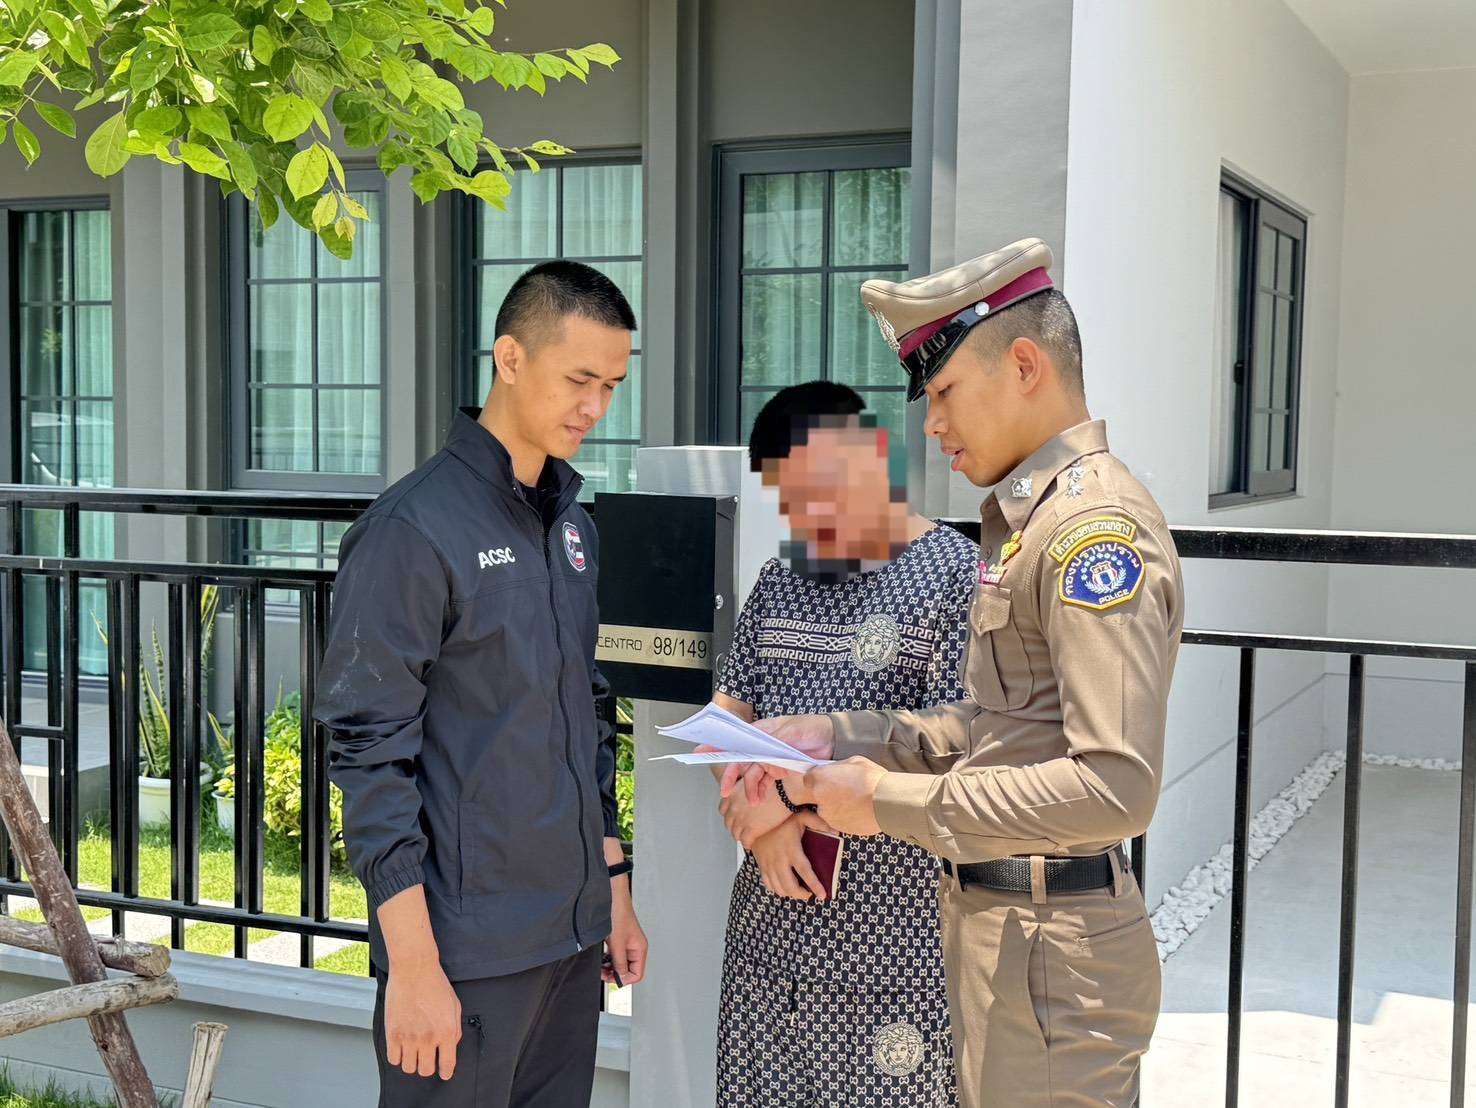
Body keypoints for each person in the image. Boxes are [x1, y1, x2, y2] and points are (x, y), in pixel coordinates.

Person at [722, 238, 1183, 1108]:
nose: (932, 425)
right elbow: (996, 729)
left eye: (944, 393)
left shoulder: (1093, 532)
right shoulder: (1028, 524)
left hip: (1052, 955)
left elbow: (1114, 786)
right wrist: (843, 735)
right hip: (1010, 935)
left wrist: (883, 801)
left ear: (1025, 366)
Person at [315, 260, 649, 1107]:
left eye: (611, 386)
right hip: (462, 952)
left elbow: (588, 721)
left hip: (569, 939)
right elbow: (368, 758)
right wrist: (413, 966)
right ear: (510, 358)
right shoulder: (410, 530)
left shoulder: (571, 525)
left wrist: (612, 890)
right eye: (579, 379)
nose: (595, 407)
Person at [710, 381, 977, 1107]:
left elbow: (960, 743)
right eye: (790, 503)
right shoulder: (779, 580)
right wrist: (765, 828)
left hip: (897, 938)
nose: (806, 521)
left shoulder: (955, 577)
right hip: (771, 936)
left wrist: (786, 803)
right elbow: (728, 719)